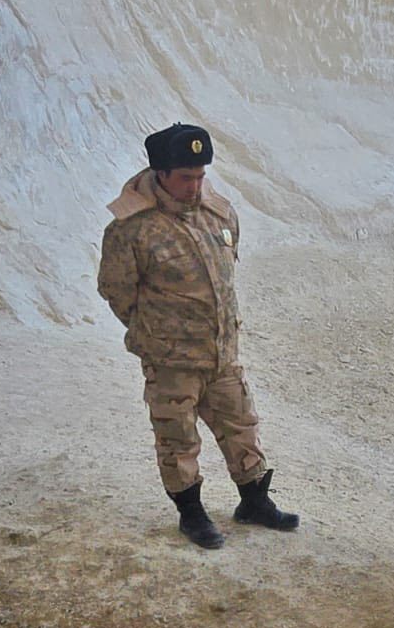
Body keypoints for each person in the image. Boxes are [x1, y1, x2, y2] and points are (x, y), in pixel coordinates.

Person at [96, 123, 298, 549]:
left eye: (201, 175)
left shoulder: (218, 211)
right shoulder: (131, 229)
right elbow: (117, 292)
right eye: (186, 177)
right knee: (178, 439)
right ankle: (191, 514)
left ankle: (254, 501)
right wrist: (155, 333)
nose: (195, 185)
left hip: (222, 354)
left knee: (241, 426)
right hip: (172, 361)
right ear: (161, 174)